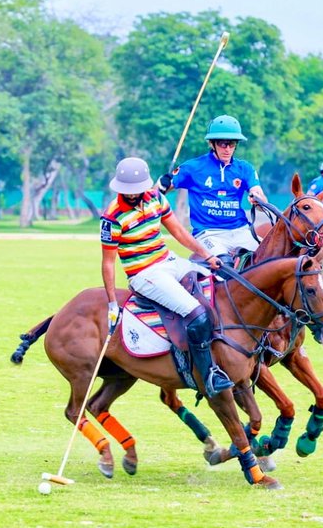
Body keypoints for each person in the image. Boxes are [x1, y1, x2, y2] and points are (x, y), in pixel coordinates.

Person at [101, 157, 232, 398]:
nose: (131, 195)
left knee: (217, 285)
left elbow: (180, 232)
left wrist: (207, 255)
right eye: (127, 191)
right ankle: (208, 375)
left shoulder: (156, 198)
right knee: (196, 313)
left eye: (136, 190)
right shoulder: (112, 217)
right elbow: (108, 263)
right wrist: (111, 303)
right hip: (144, 273)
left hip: (168, 260)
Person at [158, 115, 268, 264]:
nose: (228, 149)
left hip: (241, 231)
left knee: (269, 260)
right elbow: (155, 194)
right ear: (212, 143)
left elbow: (261, 200)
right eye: (223, 144)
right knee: (225, 265)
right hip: (208, 233)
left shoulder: (245, 169)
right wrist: (161, 184)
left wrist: (258, 199)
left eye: (232, 144)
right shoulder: (193, 167)